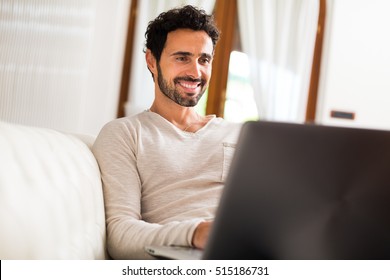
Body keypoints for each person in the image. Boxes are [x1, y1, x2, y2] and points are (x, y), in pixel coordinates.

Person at [92, 5, 242, 259]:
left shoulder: (239, 135)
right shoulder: (125, 134)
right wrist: (195, 233)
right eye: (182, 58)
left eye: (204, 59)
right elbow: (120, 235)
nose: (196, 72)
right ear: (152, 61)